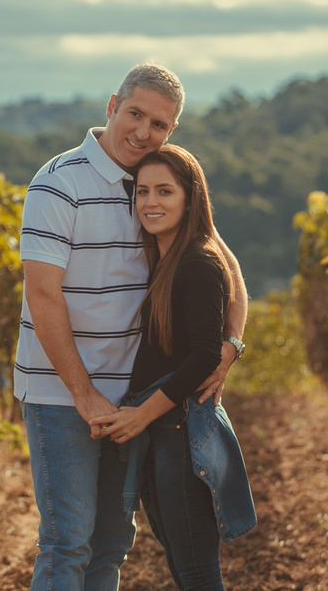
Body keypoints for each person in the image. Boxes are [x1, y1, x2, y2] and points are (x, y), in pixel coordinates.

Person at [15, 63, 249, 591]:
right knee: (68, 541)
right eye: (136, 114)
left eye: (159, 124)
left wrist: (231, 344)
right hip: (62, 394)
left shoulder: (156, 181)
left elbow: (222, 261)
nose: (143, 132)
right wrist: (84, 395)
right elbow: (42, 294)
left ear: (172, 130)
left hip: (134, 401)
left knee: (112, 541)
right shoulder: (58, 183)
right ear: (112, 107)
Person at [91, 145, 255, 591]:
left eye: (165, 191)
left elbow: (204, 356)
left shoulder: (197, 262)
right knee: (185, 566)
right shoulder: (167, 259)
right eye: (143, 191)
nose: (151, 202)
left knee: (197, 571)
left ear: (189, 197)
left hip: (179, 432)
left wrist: (140, 415)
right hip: (164, 432)